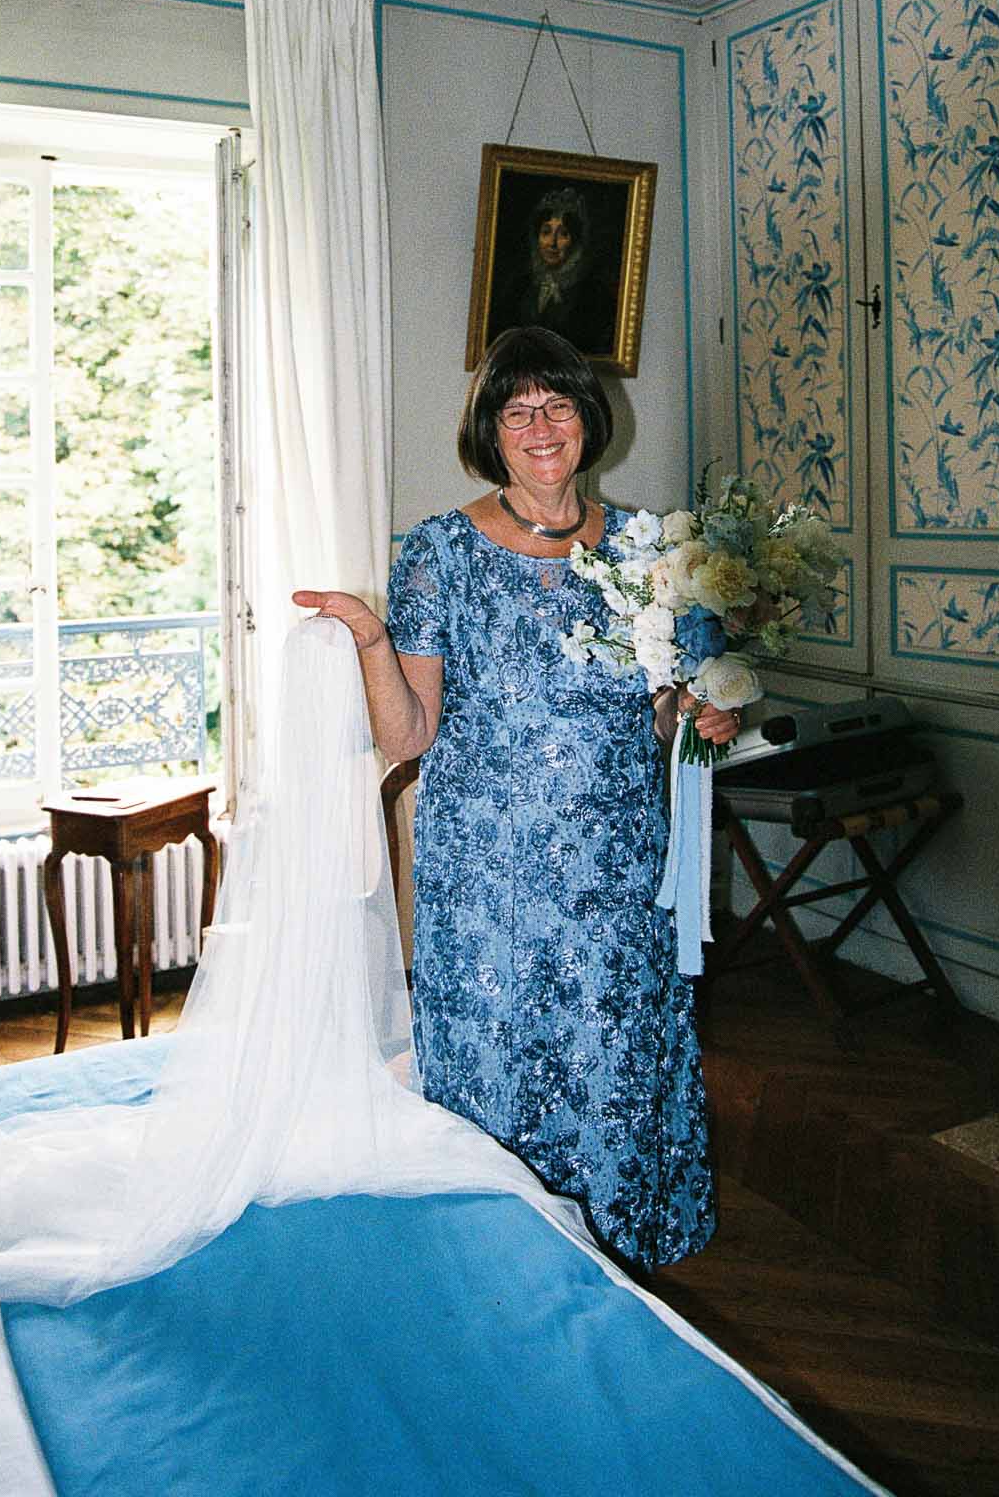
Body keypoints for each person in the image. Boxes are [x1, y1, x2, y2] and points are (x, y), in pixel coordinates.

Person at [294, 325, 738, 1268]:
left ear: (589, 421)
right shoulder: (440, 553)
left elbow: (660, 711)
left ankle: (622, 1263)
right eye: (517, 409)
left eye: (560, 404)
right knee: (502, 1065)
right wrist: (374, 641)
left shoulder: (651, 551)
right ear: (490, 432)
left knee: (616, 1056)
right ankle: (505, 1265)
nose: (540, 425)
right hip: (489, 877)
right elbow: (407, 737)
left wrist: (701, 717)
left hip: (619, 863)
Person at [491, 186, 619, 355]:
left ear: (575, 242)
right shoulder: (520, 287)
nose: (552, 243)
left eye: (563, 234)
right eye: (546, 232)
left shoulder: (592, 292)